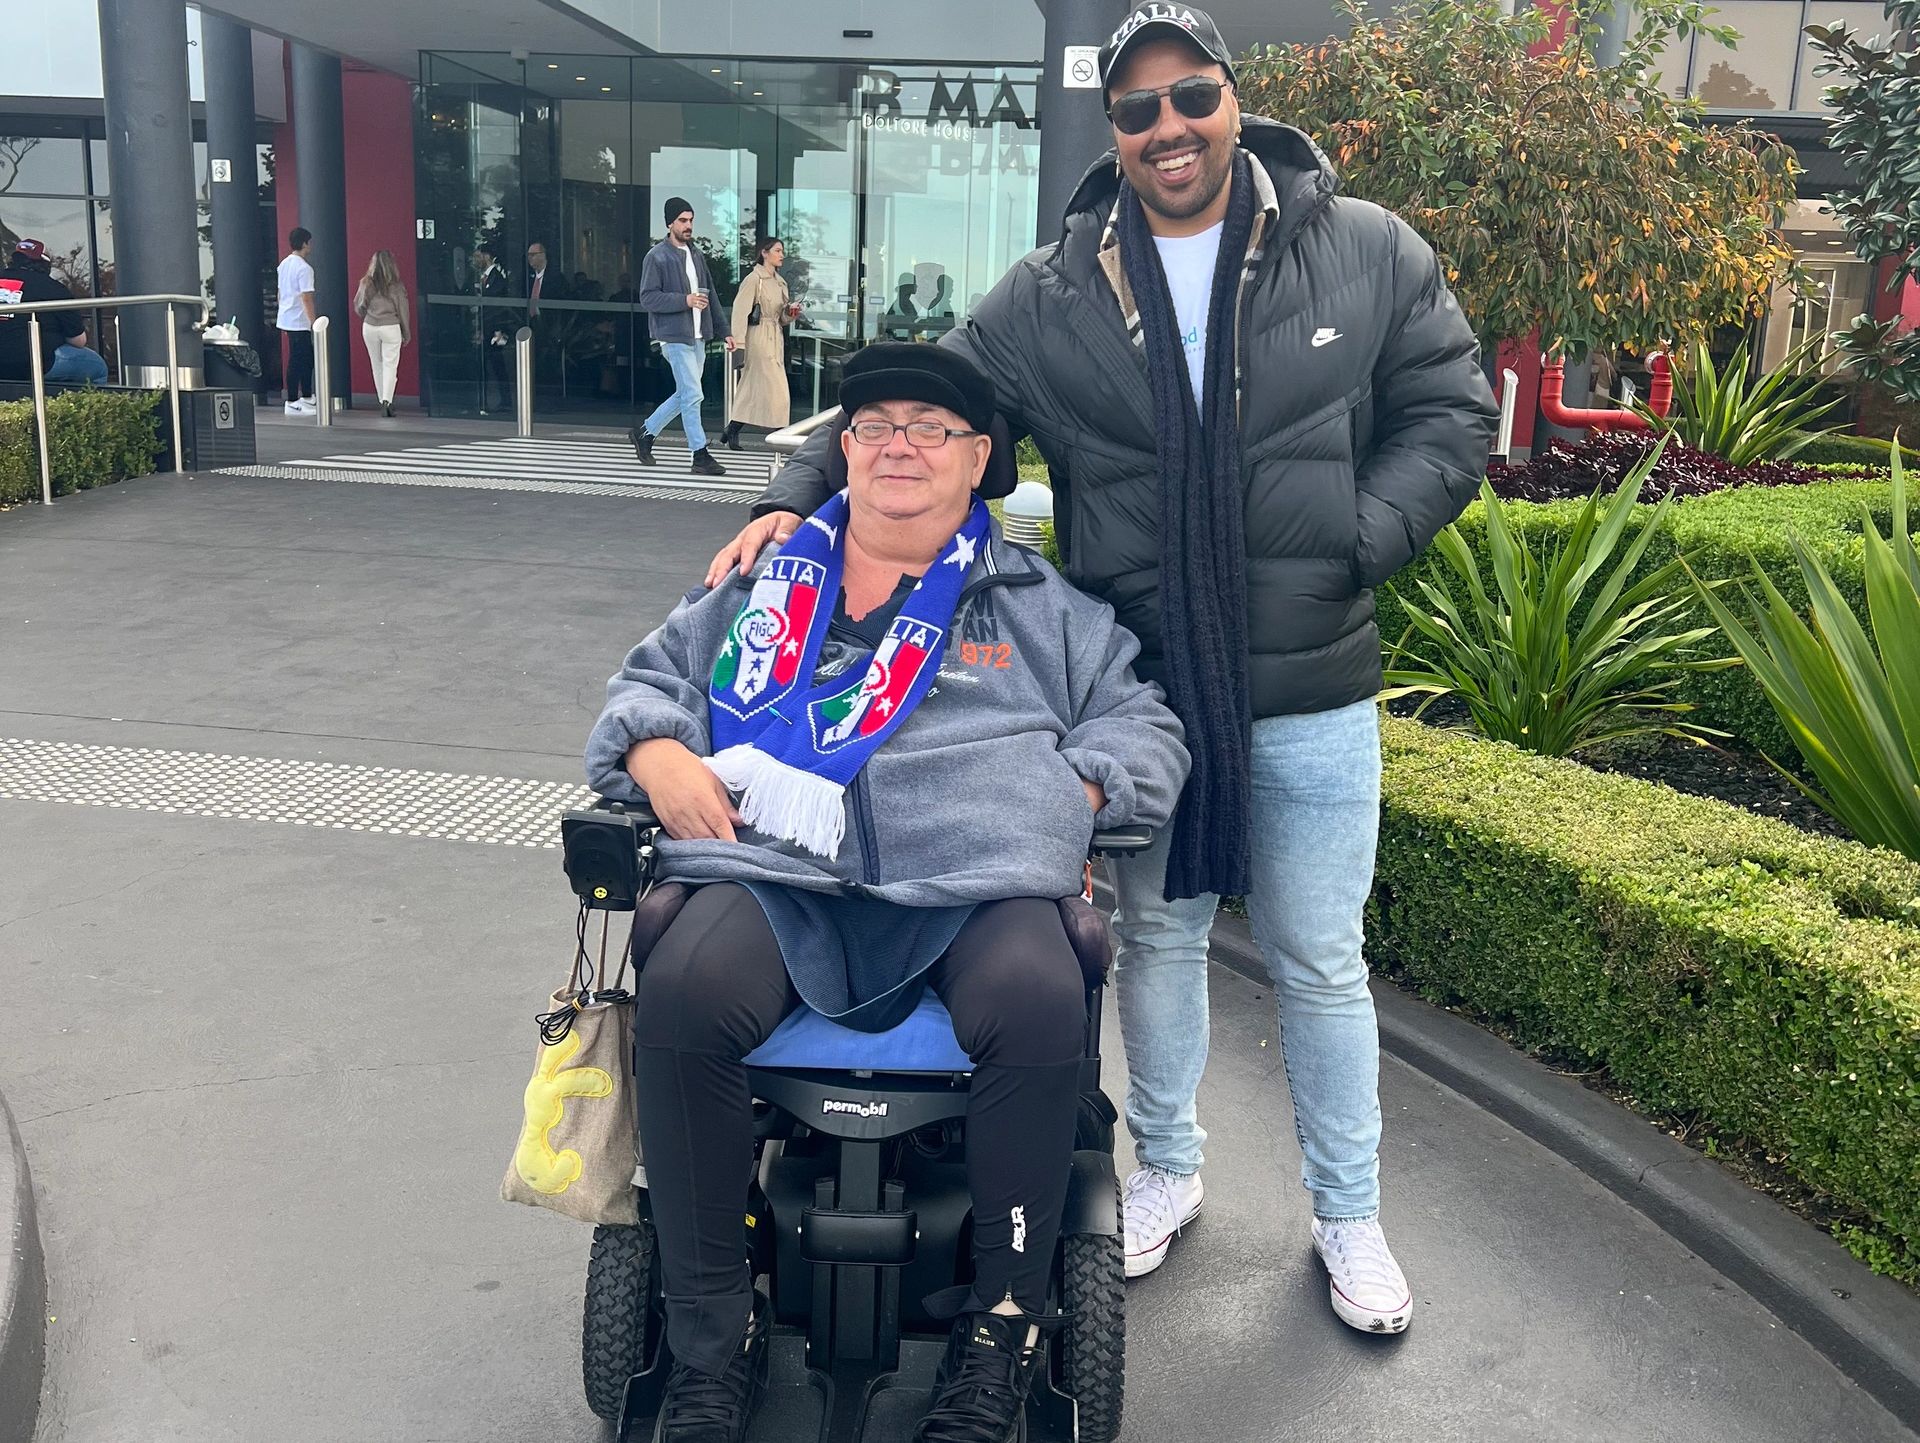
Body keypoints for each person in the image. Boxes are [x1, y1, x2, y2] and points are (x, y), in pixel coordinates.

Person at [707, 3, 1499, 1336]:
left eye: (1189, 97)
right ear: (1116, 134)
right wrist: (799, 490)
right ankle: (1172, 1169)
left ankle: (1348, 1213)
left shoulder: (1360, 250)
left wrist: (1359, 542)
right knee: (1164, 942)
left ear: (1234, 100)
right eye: (1136, 110)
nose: (1166, 127)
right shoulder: (1059, 290)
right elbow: (917, 395)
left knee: (1318, 957)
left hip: (1310, 685)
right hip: (1151, 688)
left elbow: (1450, 408)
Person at [588, 342, 1188, 1443]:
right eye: (874, 426)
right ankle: (710, 1355)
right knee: (684, 986)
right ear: (846, 453)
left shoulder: (1037, 607)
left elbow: (1142, 724)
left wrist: (1081, 791)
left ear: (976, 464)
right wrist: (655, 756)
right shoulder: (761, 586)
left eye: (930, 428)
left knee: (1041, 994)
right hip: (776, 873)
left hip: (974, 883)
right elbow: (644, 686)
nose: (899, 445)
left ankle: (994, 1352)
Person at [632, 197, 736, 476]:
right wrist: (685, 300)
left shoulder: (696, 255)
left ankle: (645, 433)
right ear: (670, 223)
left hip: (699, 336)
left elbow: (710, 293)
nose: (688, 225)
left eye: (690, 220)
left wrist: (725, 331)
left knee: (686, 394)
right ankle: (699, 454)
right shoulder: (656, 256)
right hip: (673, 337)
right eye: (682, 220)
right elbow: (648, 298)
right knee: (693, 394)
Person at [721, 235, 800, 451]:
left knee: (752, 388)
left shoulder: (780, 282)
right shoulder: (754, 279)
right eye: (777, 250)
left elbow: (781, 319)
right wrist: (738, 345)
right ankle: (782, 437)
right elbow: (740, 312)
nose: (781, 255)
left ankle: (733, 429)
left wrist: (791, 314)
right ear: (764, 253)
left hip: (775, 337)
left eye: (782, 250)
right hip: (757, 339)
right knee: (778, 391)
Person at [0, 238, 84, 385]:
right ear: (45, 263)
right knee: (97, 367)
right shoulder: (53, 288)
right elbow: (78, 340)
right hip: (35, 363)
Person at [353, 249, 410, 417]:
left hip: (370, 327)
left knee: (376, 365)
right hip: (391, 326)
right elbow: (403, 311)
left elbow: (359, 306)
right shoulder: (397, 286)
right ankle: (387, 401)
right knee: (390, 365)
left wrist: (368, 314)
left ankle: (381, 400)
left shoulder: (366, 282)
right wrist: (406, 333)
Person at [276, 227, 317, 416]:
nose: (311, 246)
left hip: (287, 317)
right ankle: (293, 400)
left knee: (303, 358)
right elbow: (306, 297)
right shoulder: (304, 268)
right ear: (304, 243)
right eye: (309, 242)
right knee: (299, 359)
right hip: (299, 320)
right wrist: (313, 321)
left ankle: (306, 396)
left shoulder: (284, 264)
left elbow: (280, 292)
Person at [472, 243, 512, 415]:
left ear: (487, 256)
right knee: (486, 365)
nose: (476, 260)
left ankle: (505, 401)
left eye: (478, 256)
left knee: (497, 365)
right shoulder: (481, 277)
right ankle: (484, 402)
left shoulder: (498, 278)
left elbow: (495, 305)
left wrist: (495, 331)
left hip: (495, 329)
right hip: (485, 328)